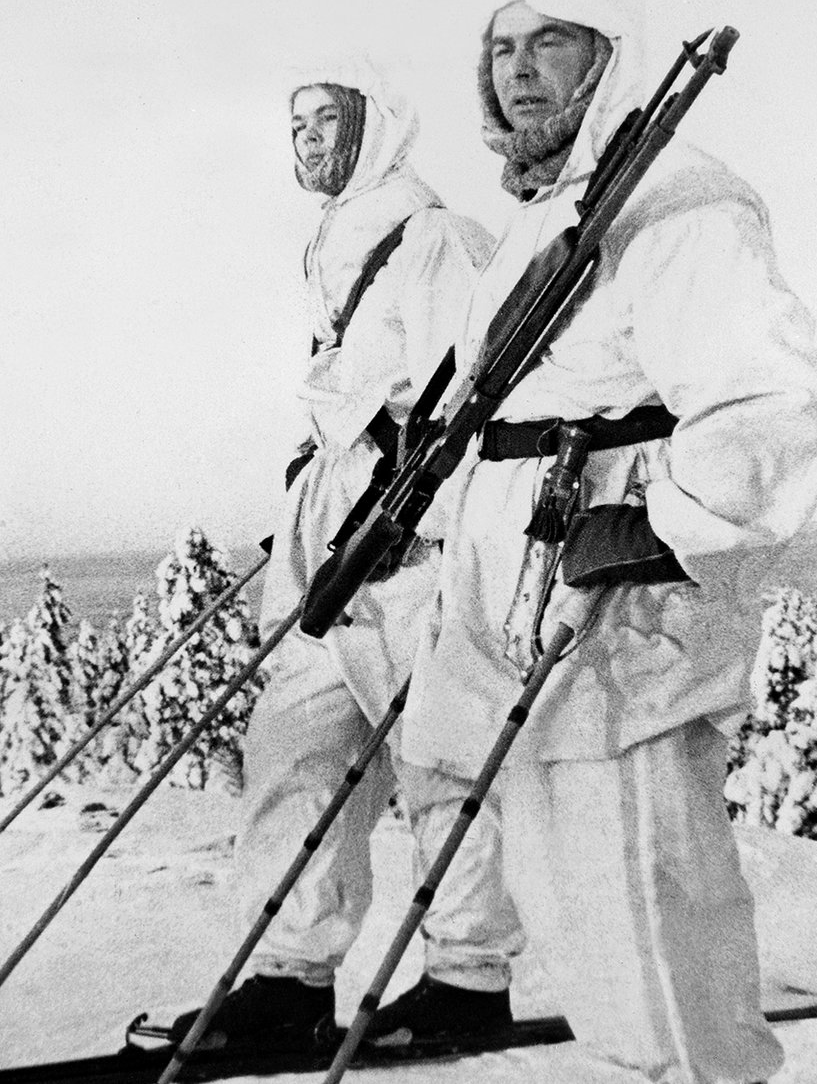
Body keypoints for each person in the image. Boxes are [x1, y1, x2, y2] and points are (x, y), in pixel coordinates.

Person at [399, 0, 817, 1084]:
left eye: (553, 39)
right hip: (520, 603)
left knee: (651, 929)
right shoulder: (543, 221)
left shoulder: (680, 202)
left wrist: (656, 523)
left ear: (613, 55)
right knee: (583, 930)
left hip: (619, 618)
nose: (520, 66)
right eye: (501, 44)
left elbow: (776, 397)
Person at [197, 59, 524, 1047]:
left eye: (324, 119)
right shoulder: (333, 243)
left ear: (373, 125)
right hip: (331, 542)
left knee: (441, 756)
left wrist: (425, 519)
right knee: (293, 749)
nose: (304, 139)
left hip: (415, 545)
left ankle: (468, 978)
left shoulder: (432, 237)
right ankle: (292, 977)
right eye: (293, 122)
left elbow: (477, 401)